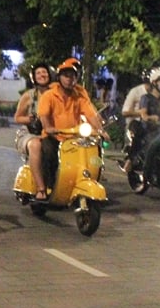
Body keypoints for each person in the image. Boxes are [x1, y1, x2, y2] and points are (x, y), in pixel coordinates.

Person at [37, 58, 107, 201]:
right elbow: (44, 117)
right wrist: (49, 128)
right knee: (49, 152)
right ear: (59, 78)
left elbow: (91, 114)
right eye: (66, 76)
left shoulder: (79, 96)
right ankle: (48, 186)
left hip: (74, 138)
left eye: (73, 76)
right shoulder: (49, 95)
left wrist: (101, 130)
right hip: (54, 137)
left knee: (91, 152)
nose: (70, 79)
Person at [13, 63, 53, 202]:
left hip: (51, 132)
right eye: (38, 73)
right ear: (33, 78)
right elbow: (17, 117)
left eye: (44, 72)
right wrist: (30, 119)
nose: (42, 75)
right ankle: (41, 189)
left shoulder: (56, 93)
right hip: (31, 133)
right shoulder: (29, 96)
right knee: (36, 145)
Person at [120, 70, 152, 172]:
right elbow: (125, 112)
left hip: (153, 124)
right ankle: (130, 160)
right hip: (136, 123)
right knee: (140, 131)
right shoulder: (136, 92)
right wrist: (140, 113)